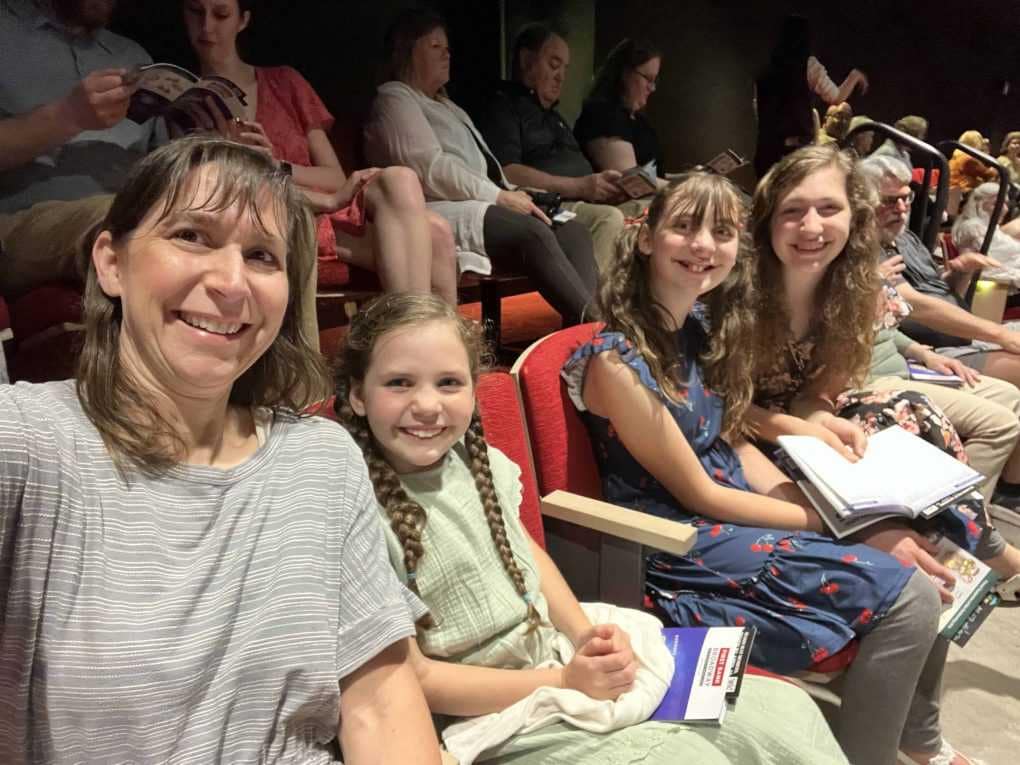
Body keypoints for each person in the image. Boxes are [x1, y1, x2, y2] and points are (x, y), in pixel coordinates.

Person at [0, 136, 442, 764]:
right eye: (192, 236)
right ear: (112, 263)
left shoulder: (321, 460)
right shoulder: (28, 442)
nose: (232, 283)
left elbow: (378, 705)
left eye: (262, 255)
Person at [560, 172, 978, 765]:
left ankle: (918, 738)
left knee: (931, 543)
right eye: (684, 226)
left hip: (724, 516)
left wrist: (840, 503)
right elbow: (703, 493)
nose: (704, 244)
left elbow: (733, 440)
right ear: (646, 238)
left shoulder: (694, 330)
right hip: (673, 544)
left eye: (722, 231)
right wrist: (831, 522)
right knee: (909, 593)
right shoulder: (618, 364)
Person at [334, 292, 851, 765]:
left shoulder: (477, 462)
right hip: (488, 714)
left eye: (449, 382)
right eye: (399, 382)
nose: (427, 405)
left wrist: (584, 636)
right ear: (358, 395)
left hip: (552, 657)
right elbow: (415, 681)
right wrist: (564, 680)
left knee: (789, 712)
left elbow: (526, 555)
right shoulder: (356, 512)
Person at [743, 145, 1020, 603]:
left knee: (908, 415)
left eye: (829, 208)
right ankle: (978, 561)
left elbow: (816, 394)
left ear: (853, 217)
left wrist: (819, 418)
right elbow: (715, 408)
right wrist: (803, 426)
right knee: (893, 414)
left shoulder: (855, 292)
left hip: (797, 430)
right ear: (769, 218)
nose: (812, 227)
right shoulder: (737, 291)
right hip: (744, 435)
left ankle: (962, 558)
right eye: (793, 211)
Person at [182, 0, 458, 310]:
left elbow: (333, 177)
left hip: (322, 209)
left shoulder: (284, 82)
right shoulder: (187, 104)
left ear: (243, 20)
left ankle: (428, 346)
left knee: (409, 189)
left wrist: (275, 164)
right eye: (195, 13)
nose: (207, 27)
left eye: (220, 14)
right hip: (273, 215)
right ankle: (417, 345)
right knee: (433, 234)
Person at [364, 8, 597, 326]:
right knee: (533, 232)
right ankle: (598, 330)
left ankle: (577, 340)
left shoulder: (448, 105)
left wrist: (516, 193)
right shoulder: (394, 99)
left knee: (573, 230)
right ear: (406, 51)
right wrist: (499, 197)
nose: (446, 53)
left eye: (447, 47)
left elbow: (486, 168)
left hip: (483, 200)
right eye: (434, 46)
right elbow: (431, 168)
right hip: (437, 208)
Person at [0, 0, 161, 300]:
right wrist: (67, 116)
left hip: (127, 213)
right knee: (135, 224)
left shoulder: (134, 57)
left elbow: (160, 167)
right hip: (18, 226)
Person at [478, 22, 631, 271]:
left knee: (653, 211)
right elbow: (507, 172)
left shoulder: (555, 117)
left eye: (565, 68)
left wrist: (607, 187)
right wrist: (580, 186)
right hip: (546, 206)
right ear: (527, 60)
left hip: (585, 199)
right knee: (609, 219)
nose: (561, 76)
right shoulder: (503, 106)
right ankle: (594, 308)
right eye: (554, 64)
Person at [753, 15, 868, 177]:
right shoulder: (808, 65)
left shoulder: (764, 73)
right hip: (795, 153)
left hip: (766, 152)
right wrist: (854, 76)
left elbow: (759, 112)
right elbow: (835, 98)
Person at [573, 38, 666, 182]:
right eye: (648, 78)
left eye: (654, 81)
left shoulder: (640, 121)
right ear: (624, 73)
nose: (652, 88)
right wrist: (683, 190)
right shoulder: (601, 114)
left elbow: (657, 176)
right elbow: (631, 182)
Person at [951, 181, 1020, 286]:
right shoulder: (972, 227)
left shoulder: (990, 227)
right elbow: (980, 268)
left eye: (1005, 203)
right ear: (980, 204)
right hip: (992, 287)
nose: (1005, 209)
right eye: (996, 204)